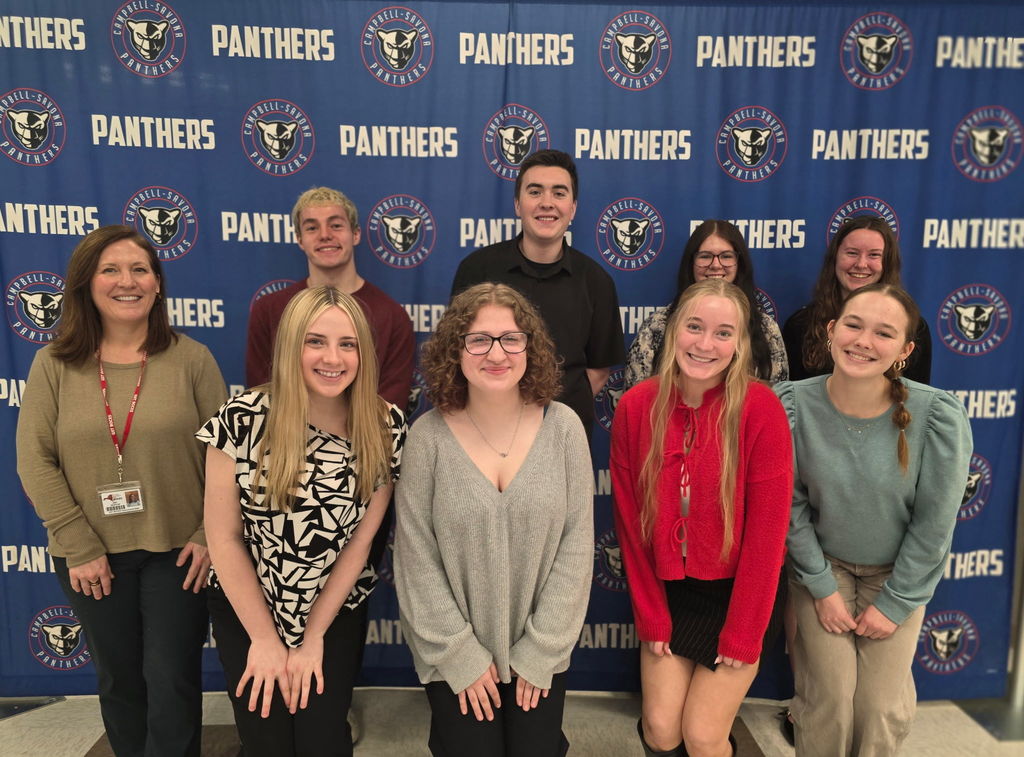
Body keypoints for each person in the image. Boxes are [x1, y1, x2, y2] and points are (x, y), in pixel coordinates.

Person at [16, 225, 227, 757]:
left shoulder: (192, 359)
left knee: (172, 677)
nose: (126, 281)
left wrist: (208, 533)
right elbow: (34, 459)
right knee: (119, 679)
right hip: (89, 554)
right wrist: (78, 544)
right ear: (86, 283)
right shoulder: (54, 364)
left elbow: (228, 458)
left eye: (140, 269)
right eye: (110, 269)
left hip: (179, 552)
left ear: (158, 284)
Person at [199, 287, 405, 756]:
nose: (332, 358)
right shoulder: (241, 419)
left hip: (333, 609)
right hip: (249, 604)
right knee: (266, 740)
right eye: (316, 341)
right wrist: (266, 641)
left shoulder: (385, 425)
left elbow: (361, 543)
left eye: (347, 344)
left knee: (322, 739)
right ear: (292, 345)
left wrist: (311, 639)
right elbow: (224, 538)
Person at [394, 283, 593, 757]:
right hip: (453, 656)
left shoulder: (564, 428)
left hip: (539, 656)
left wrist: (541, 651)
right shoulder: (428, 437)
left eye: (510, 338)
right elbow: (415, 556)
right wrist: (459, 654)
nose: (496, 353)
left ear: (530, 345)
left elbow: (578, 546)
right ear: (454, 351)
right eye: (479, 339)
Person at [775, 283, 971, 757]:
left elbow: (935, 522)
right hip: (823, 568)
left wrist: (897, 601)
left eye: (883, 333)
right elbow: (790, 507)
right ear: (831, 330)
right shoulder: (792, 405)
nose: (863, 341)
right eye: (854, 325)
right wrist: (821, 588)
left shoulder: (936, 415)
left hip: (896, 575)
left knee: (879, 707)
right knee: (831, 701)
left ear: (904, 351)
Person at [611, 279, 793, 757]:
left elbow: (768, 539)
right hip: (670, 591)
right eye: (695, 327)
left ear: (740, 345)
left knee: (703, 735)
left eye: (723, 333)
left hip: (741, 594)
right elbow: (631, 528)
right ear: (674, 331)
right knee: (660, 728)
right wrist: (651, 617)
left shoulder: (762, 409)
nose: (705, 344)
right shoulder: (636, 408)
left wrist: (743, 632)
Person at [450, 149, 625, 437]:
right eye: (535, 192)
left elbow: (598, 372)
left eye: (559, 193)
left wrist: (549, 415)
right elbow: (458, 354)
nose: (547, 203)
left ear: (573, 207)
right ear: (518, 204)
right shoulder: (476, 270)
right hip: (486, 431)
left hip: (563, 435)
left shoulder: (596, 281)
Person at [246, 186, 414, 409]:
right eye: (312, 227)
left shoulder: (392, 316)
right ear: (299, 239)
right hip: (285, 439)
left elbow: (390, 408)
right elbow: (261, 394)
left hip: (364, 441)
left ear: (355, 234)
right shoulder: (269, 309)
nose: (325, 235)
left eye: (335, 225)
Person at [624, 219, 788, 389]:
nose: (716, 265)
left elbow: (779, 397)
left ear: (740, 263)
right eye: (705, 256)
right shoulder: (657, 325)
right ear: (691, 262)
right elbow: (635, 395)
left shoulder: (766, 328)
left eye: (726, 256)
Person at [782, 217, 931, 383]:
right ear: (835, 258)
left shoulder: (915, 329)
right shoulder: (800, 325)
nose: (861, 264)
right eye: (852, 253)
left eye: (874, 255)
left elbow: (917, 401)